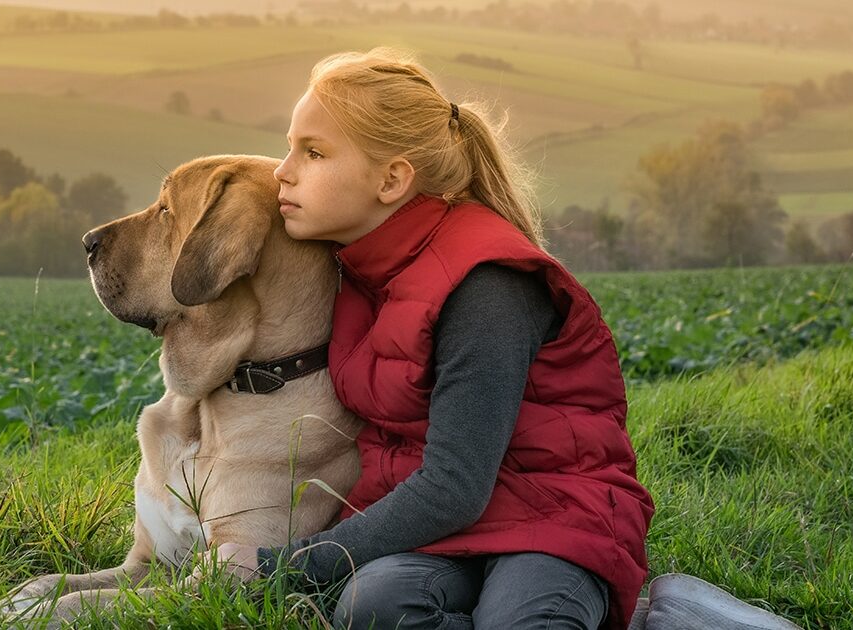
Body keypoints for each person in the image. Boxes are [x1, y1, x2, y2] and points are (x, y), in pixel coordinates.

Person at [202, 48, 799, 630]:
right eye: (289, 148)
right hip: (443, 533)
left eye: (312, 152)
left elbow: (454, 486)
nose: (283, 170)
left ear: (391, 180)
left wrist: (285, 569)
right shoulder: (361, 272)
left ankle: (669, 612)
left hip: (553, 515)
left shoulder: (485, 285)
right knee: (371, 611)